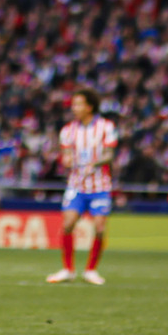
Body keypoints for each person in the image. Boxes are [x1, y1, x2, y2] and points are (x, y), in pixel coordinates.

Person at [47, 86, 117, 285]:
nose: (74, 108)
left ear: (90, 106)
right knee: (68, 224)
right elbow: (66, 155)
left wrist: (95, 163)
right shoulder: (68, 130)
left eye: (78, 104)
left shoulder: (106, 127)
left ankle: (91, 270)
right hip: (77, 185)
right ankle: (68, 269)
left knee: (100, 228)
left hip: (100, 186)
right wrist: (67, 160)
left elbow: (110, 154)